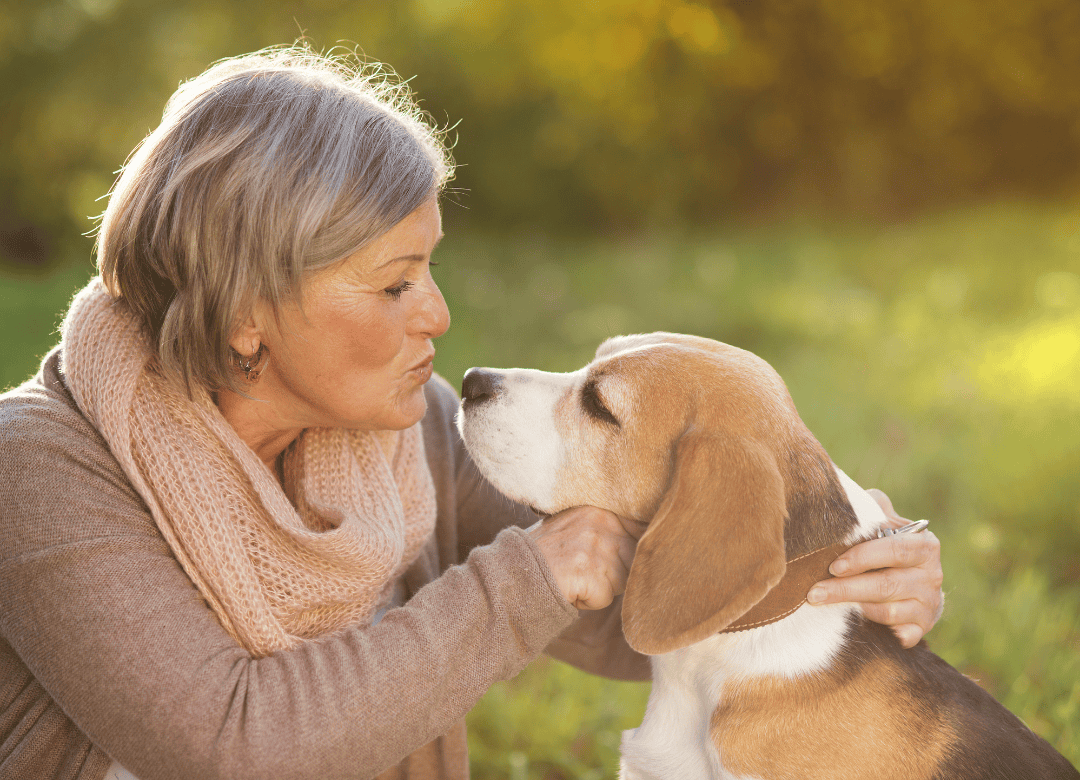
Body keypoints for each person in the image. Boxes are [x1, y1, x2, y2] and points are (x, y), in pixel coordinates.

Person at [0, 46, 944, 780]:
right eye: (394, 285)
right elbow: (228, 745)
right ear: (248, 314)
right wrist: (521, 580)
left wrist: (840, 580)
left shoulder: (408, 432)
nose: (439, 316)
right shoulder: (41, 468)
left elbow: (633, 619)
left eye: (432, 269)